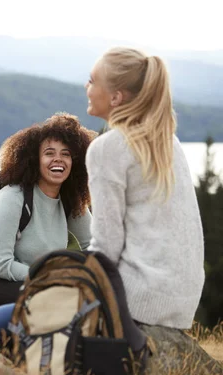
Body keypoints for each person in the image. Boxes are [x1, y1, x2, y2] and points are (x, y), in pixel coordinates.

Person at [84, 47, 204, 329]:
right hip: (182, 302)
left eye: (92, 80)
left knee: (0, 321)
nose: (86, 87)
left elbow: (106, 246)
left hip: (138, 299)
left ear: (115, 97)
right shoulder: (168, 141)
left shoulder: (107, 149)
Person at [0, 113, 96, 316]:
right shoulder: (13, 196)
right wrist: (54, 276)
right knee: (62, 300)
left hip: (36, 280)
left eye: (66, 154)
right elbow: (0, 265)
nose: (58, 159)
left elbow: (94, 245)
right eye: (49, 153)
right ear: (34, 159)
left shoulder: (70, 200)